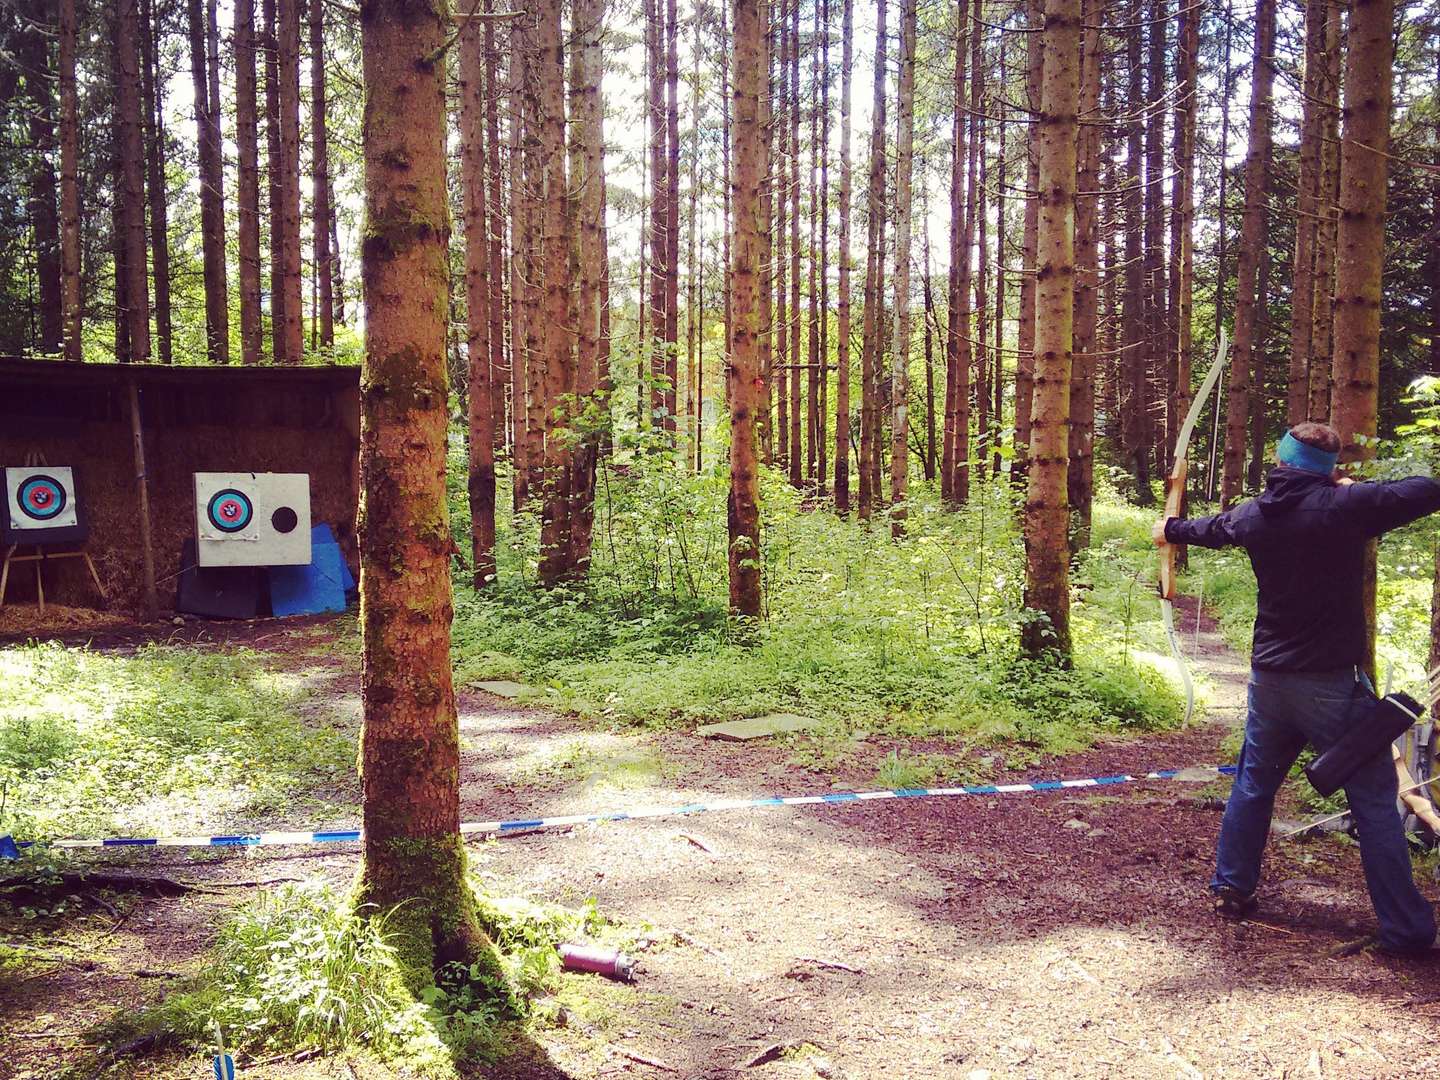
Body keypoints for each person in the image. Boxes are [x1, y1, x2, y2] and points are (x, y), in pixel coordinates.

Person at [1153, 421, 1440, 956]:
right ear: (1328, 468)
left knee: (1253, 783)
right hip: (1331, 685)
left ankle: (1232, 888)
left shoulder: (1254, 513)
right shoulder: (1346, 506)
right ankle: (1408, 931)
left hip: (1270, 681)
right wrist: (1353, 490)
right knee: (1376, 801)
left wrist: (1171, 529)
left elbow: (1208, 529)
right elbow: (1427, 489)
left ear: (1282, 461)